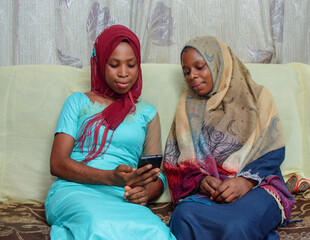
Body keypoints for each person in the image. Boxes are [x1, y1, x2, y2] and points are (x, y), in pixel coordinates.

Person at [45, 25, 176, 240]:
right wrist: (110, 177)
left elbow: (156, 174)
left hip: (122, 195)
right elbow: (57, 163)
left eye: (131, 65)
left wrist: (145, 193)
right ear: (100, 64)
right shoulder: (78, 102)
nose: (124, 73)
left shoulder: (147, 113)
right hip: (75, 189)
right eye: (114, 65)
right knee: (98, 226)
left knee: (157, 233)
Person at [163, 36, 295, 240]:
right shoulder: (188, 105)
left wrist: (245, 182)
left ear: (219, 64)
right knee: (182, 218)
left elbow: (273, 151)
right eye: (186, 71)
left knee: (237, 226)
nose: (192, 77)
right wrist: (202, 181)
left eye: (199, 67)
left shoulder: (258, 97)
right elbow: (176, 162)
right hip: (212, 192)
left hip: (258, 186)